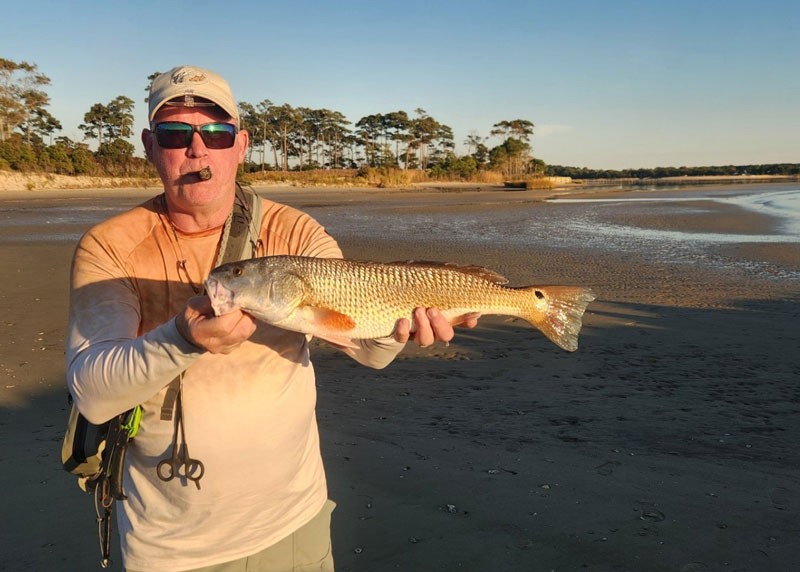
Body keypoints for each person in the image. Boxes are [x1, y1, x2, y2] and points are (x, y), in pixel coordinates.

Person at [66, 65, 477, 572]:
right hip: (172, 546)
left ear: (240, 145)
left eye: (215, 134)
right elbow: (91, 392)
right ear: (151, 146)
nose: (198, 150)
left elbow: (367, 350)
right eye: (176, 133)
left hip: (296, 522)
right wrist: (180, 338)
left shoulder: (296, 232)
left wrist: (399, 330)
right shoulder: (111, 246)